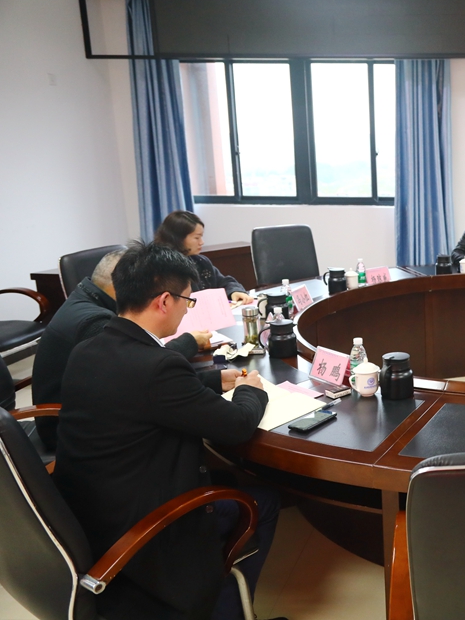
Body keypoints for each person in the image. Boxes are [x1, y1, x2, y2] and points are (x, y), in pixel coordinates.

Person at [54, 242, 282, 620]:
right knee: (265, 501)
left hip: (92, 516)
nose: (187, 309)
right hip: (148, 529)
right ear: (164, 301)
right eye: (187, 301)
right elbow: (237, 425)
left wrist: (213, 380)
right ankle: (224, 609)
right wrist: (249, 389)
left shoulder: (90, 348)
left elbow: (143, 392)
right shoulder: (157, 368)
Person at [31, 249, 210, 451]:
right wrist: (189, 342)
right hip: (67, 431)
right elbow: (143, 369)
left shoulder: (84, 297)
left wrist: (211, 380)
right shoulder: (96, 323)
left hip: (89, 412)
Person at [155, 210, 254, 304]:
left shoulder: (200, 261)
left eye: (201, 237)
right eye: (197, 237)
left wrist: (234, 291)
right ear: (178, 238)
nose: (202, 242)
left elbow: (224, 281)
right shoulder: (164, 269)